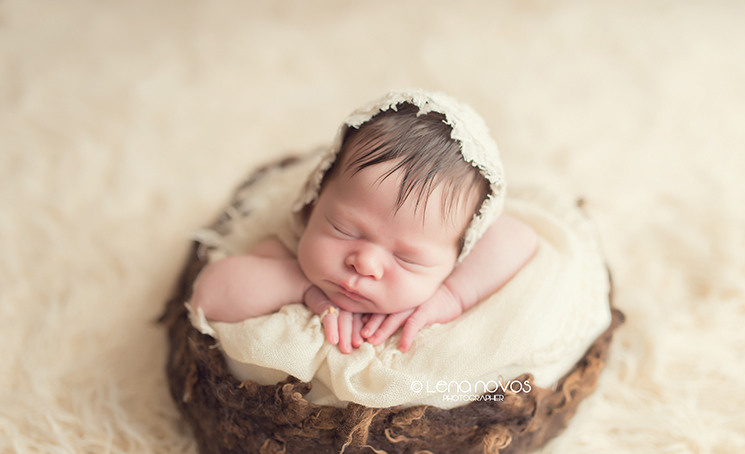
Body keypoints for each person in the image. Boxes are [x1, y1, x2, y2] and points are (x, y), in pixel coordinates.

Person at [192, 95, 538, 353]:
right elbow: (207, 296)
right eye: (343, 229)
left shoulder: (452, 275)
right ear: (313, 202)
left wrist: (451, 296)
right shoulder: (289, 247)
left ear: (459, 255)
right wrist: (299, 284)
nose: (365, 264)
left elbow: (520, 237)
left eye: (407, 258)